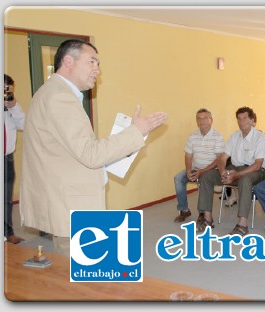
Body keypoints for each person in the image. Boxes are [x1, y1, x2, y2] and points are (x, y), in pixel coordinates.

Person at [19, 39, 167, 256]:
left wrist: (132, 133)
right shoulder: (60, 97)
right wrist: (136, 131)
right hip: (72, 206)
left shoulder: (53, 92)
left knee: (84, 277)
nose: (97, 70)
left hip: (69, 200)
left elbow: (75, 150)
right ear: (69, 61)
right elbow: (90, 154)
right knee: (84, 281)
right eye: (92, 62)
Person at [196, 106, 265, 236]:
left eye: (245, 118)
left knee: (245, 180)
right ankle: (207, 219)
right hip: (234, 169)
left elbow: (257, 165)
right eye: (239, 119)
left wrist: (237, 175)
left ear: (252, 120)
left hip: (254, 171)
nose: (242, 122)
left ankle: (242, 224)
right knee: (207, 176)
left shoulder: (260, 137)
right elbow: (222, 158)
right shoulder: (234, 136)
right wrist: (223, 171)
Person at [173, 108, 225, 223]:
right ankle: (184, 210)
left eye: (205, 118)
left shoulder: (218, 136)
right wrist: (188, 170)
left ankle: (202, 213)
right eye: (199, 118)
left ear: (211, 120)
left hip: (212, 170)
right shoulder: (192, 136)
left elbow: (219, 160)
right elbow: (188, 155)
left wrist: (201, 171)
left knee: (204, 179)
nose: (202, 121)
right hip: (196, 168)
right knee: (178, 178)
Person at [3, 74, 25, 244]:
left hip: (7, 158)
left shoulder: (11, 107)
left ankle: (8, 233)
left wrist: (13, 106)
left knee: (6, 199)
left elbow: (23, 124)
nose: (7, 95)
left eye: (9, 92)